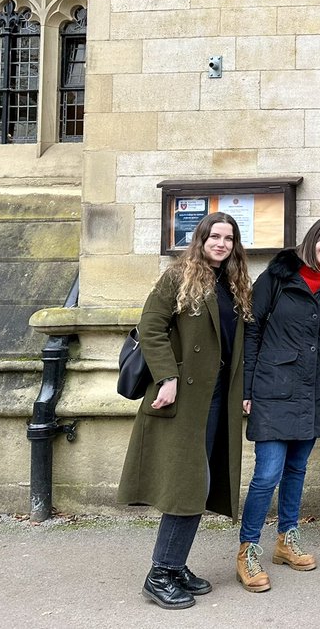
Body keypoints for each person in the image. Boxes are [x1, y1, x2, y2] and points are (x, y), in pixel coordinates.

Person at [117, 213, 252, 609]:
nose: (222, 243)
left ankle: (174, 567)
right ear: (201, 238)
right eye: (215, 236)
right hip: (183, 398)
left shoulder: (235, 283)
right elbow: (151, 326)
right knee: (187, 486)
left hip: (218, 397)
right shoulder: (178, 276)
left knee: (201, 485)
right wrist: (166, 378)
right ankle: (160, 573)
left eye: (229, 238)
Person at [237, 217, 320, 592]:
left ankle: (287, 539)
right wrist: (247, 388)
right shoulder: (278, 275)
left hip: (314, 389)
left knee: (297, 469)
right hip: (273, 386)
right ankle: (248, 549)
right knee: (267, 473)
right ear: (313, 238)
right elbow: (252, 328)